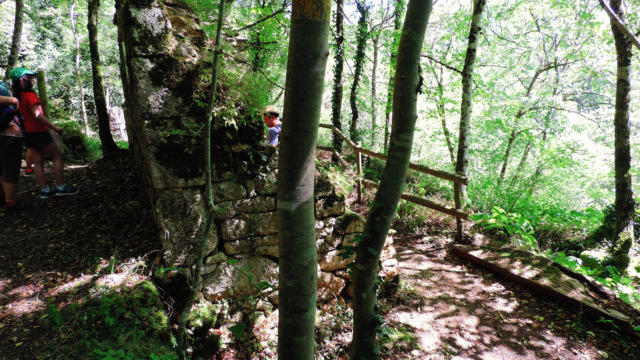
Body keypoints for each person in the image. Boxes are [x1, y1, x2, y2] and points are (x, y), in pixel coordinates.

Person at [10, 67, 78, 199]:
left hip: (27, 133)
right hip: (38, 132)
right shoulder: (30, 96)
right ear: (22, 80)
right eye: (29, 77)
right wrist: (54, 127)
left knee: (37, 161)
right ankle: (60, 187)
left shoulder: (16, 97)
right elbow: (38, 115)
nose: (32, 79)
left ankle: (45, 190)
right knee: (57, 155)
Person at [0, 81, 25, 210]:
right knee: (10, 167)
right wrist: (12, 100)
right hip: (7, 134)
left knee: (4, 167)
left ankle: (4, 197)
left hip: (8, 132)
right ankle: (11, 201)